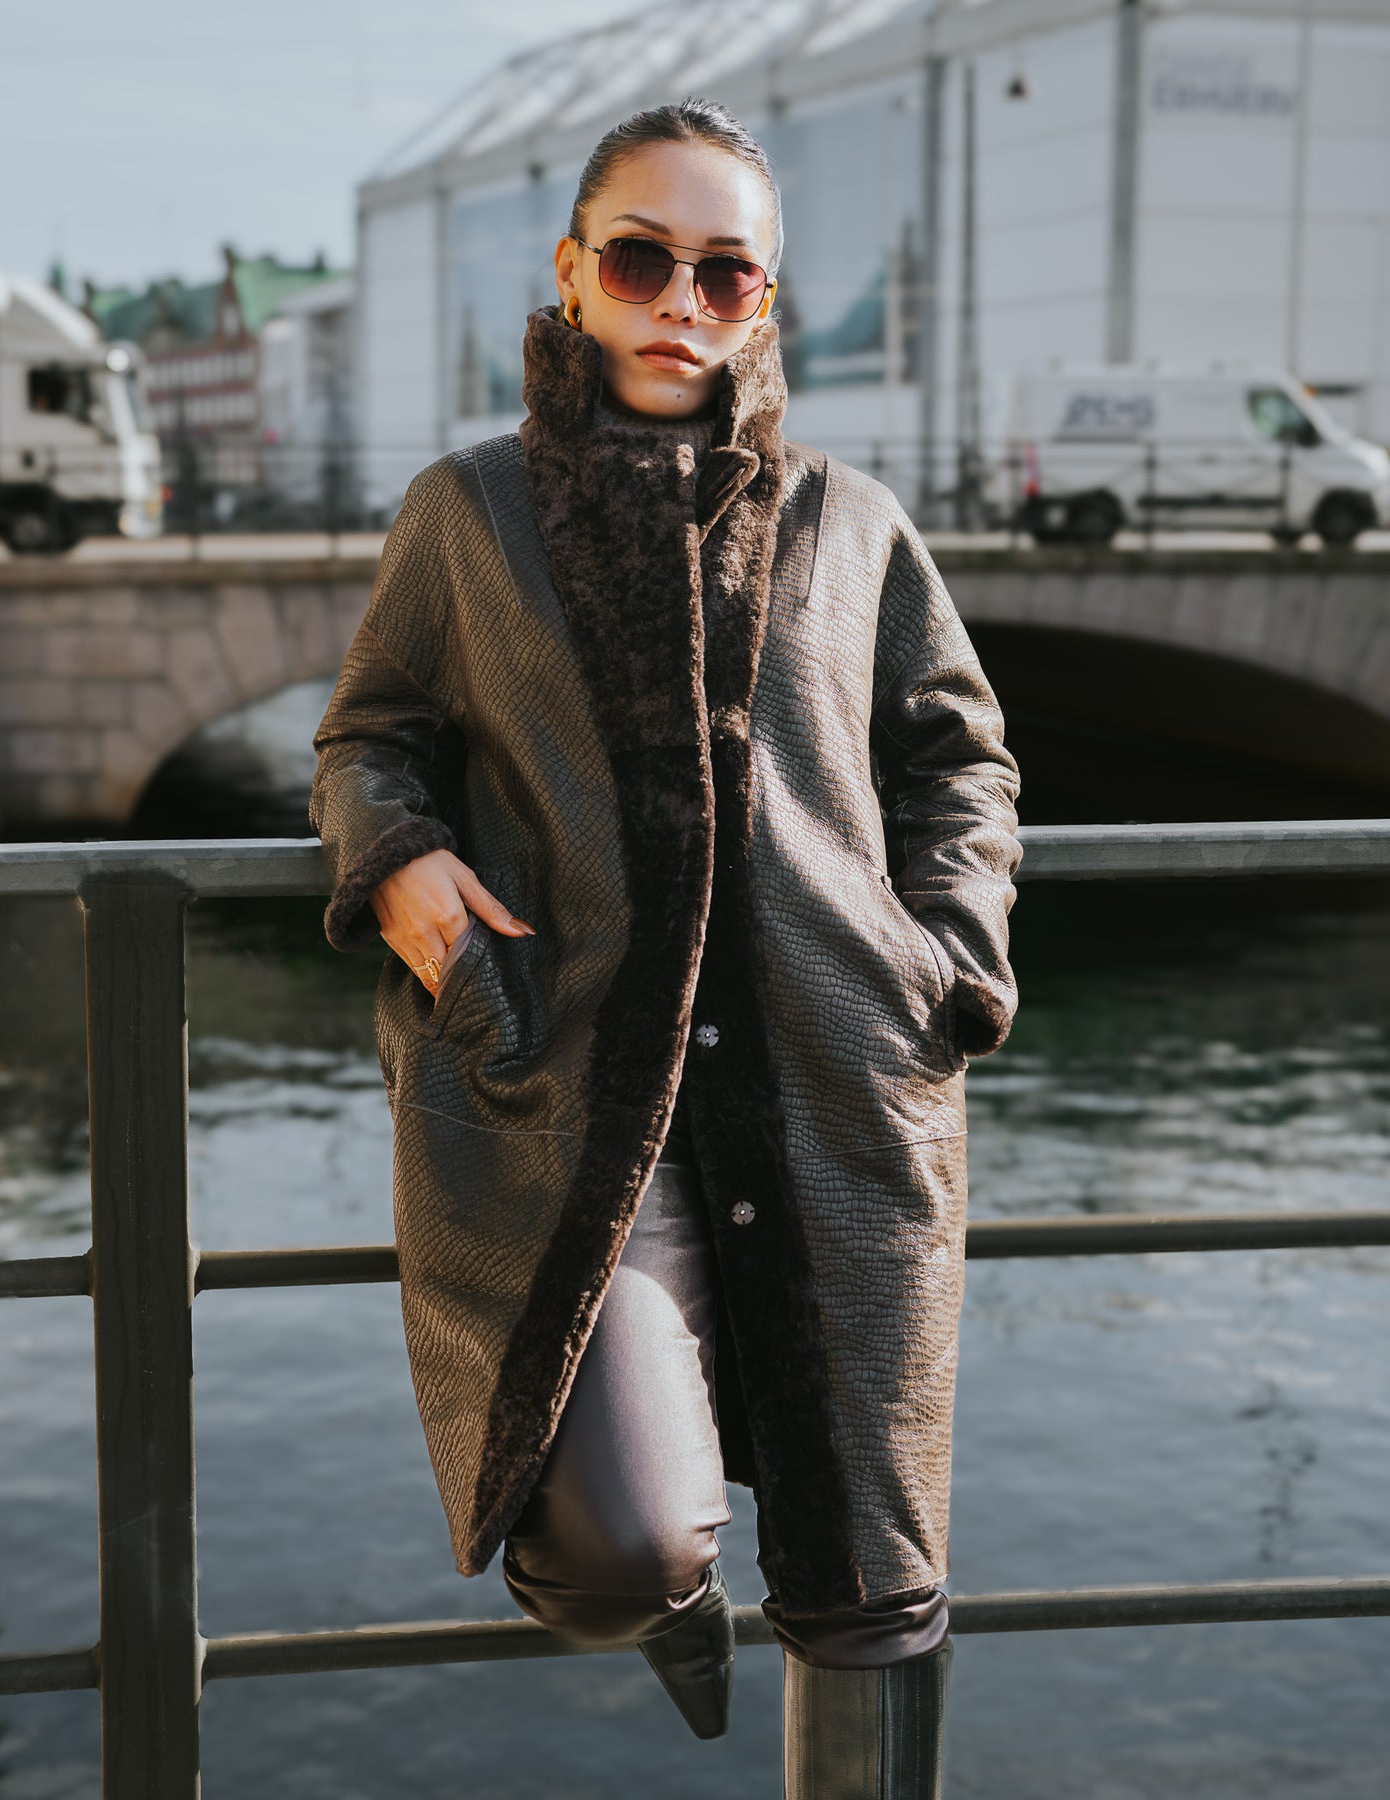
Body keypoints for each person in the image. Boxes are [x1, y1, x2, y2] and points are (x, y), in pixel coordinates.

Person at [310, 97, 1021, 1798]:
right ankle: (670, 1610)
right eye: (642, 260)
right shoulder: (470, 513)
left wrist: (948, 960)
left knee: (873, 1580)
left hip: (834, 1088)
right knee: (613, 1549)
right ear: (573, 272)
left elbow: (960, 757)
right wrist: (395, 858)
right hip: (580, 1091)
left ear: (765, 298)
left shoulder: (851, 520)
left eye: (726, 272)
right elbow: (367, 736)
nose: (682, 302)